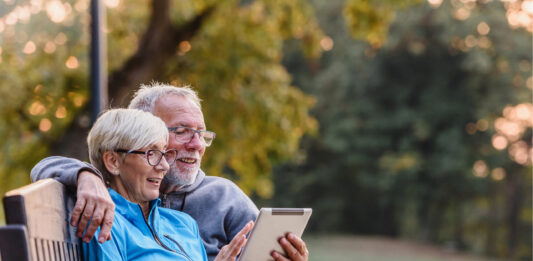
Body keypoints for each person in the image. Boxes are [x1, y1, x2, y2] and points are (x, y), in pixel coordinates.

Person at [31, 83, 309, 261]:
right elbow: (44, 166)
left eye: (201, 134)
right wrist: (86, 175)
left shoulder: (211, 205)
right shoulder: (106, 210)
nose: (197, 144)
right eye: (182, 131)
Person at [83, 108, 217, 260]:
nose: (164, 166)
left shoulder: (184, 223)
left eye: (165, 153)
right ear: (113, 162)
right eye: (151, 154)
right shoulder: (105, 222)